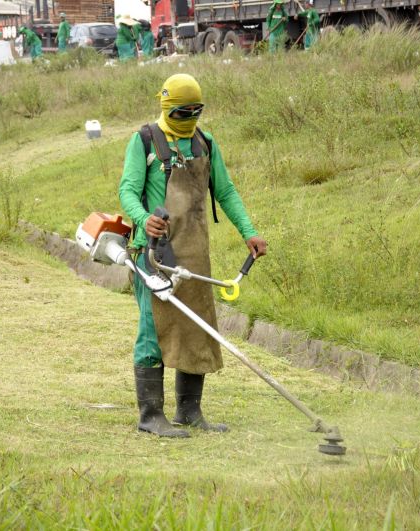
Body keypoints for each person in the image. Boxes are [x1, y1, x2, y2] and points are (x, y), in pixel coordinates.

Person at [118, 74, 268, 438]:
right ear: (167, 107)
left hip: (194, 253)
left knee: (197, 329)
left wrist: (249, 231)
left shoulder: (205, 143)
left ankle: (189, 411)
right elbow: (127, 191)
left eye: (195, 111)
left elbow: (226, 192)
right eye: (183, 112)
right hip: (154, 254)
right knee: (153, 329)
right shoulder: (145, 141)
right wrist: (144, 220)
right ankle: (150, 415)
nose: (189, 118)